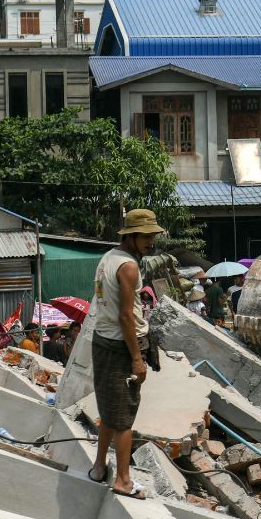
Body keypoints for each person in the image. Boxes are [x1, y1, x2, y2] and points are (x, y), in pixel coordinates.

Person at [88, 208, 165, 500]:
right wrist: (137, 358)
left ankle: (98, 467)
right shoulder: (129, 267)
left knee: (108, 410)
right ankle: (122, 480)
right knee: (124, 418)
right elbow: (125, 317)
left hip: (102, 339)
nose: (150, 242)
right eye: (145, 236)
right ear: (131, 236)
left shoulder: (109, 258)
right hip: (120, 345)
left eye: (152, 236)